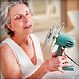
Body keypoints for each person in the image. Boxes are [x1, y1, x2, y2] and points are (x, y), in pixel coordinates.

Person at [0, 1, 70, 79]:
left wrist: (54, 60)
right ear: (10, 26)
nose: (27, 19)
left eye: (27, 13)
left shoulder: (33, 37)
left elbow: (38, 67)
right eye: (18, 17)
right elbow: (42, 68)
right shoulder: (5, 50)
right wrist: (45, 67)